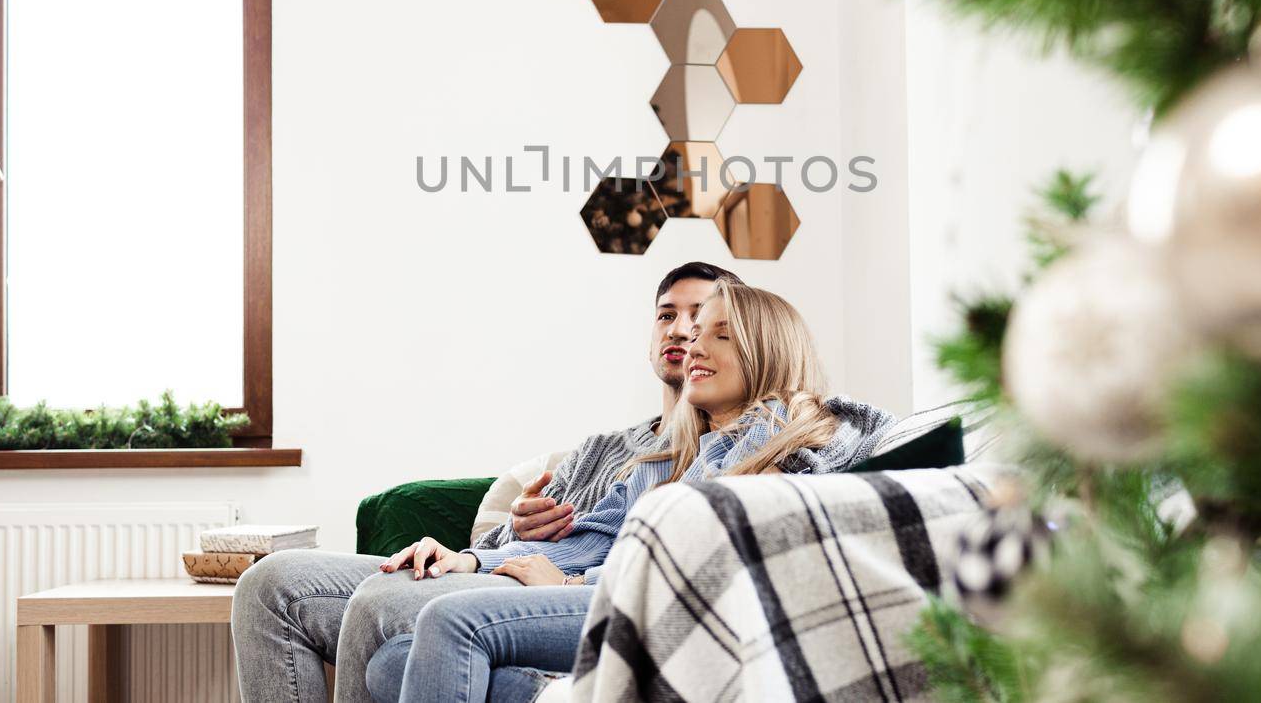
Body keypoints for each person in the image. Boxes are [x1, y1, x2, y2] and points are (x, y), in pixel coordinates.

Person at [231, 261, 742, 703]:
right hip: (500, 578)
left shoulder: (740, 448)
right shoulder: (602, 450)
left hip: (567, 602)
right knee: (269, 583)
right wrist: (506, 534)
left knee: (382, 603)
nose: (680, 330)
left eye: (700, 317)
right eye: (666, 315)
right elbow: (516, 549)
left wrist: (566, 581)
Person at [365, 280, 895, 703]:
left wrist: (569, 588)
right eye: (689, 329)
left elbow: (708, 555)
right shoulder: (695, 450)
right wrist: (475, 561)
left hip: (670, 614)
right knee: (396, 660)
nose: (693, 346)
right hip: (612, 596)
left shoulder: (783, 427)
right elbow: (595, 536)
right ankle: (555, 691)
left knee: (449, 623)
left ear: (768, 350)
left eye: (720, 335)